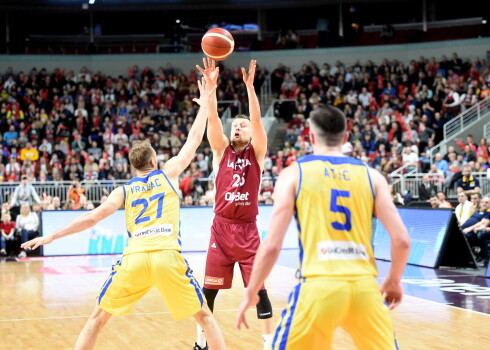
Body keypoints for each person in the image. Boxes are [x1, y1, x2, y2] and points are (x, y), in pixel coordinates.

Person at [21, 77, 226, 350]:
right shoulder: (167, 175)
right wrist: (206, 102)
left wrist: (52, 236)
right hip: (167, 256)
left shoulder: (124, 191)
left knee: (96, 318)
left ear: (134, 167)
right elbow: (193, 140)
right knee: (204, 317)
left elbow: (91, 218)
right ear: (154, 161)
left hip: (135, 259)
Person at [236, 106, 410, 349]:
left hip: (318, 287)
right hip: (365, 289)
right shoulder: (372, 176)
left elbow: (273, 245)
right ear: (346, 137)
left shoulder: (294, 174)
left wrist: (251, 291)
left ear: (311, 137)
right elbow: (402, 240)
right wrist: (393, 280)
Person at [195, 58, 273, 350]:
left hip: (248, 231)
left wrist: (250, 89)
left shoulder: (258, 153)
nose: (238, 128)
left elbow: (256, 121)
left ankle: (268, 343)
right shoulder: (220, 151)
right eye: (235, 125)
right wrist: (212, 90)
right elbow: (213, 121)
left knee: (260, 293)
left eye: (243, 125)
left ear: (251, 132)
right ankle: (200, 342)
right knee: (209, 293)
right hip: (222, 231)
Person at [461, 197, 490, 267]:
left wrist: (469, 228)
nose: (484, 204)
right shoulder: (476, 212)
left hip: (475, 231)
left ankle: (481, 257)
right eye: (482, 202)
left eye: (487, 202)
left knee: (470, 236)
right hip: (466, 229)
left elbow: (483, 223)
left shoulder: (488, 213)